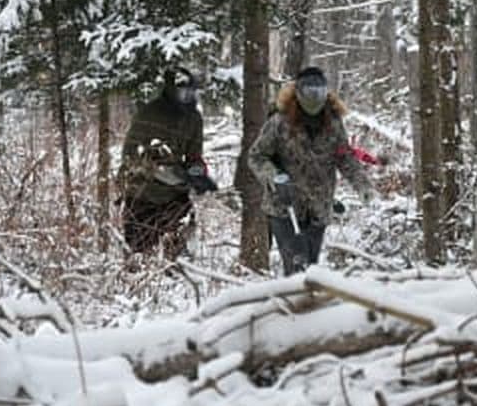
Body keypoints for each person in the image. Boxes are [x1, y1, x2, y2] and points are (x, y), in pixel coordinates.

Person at [248, 66, 374, 275]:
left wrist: (363, 186)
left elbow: (346, 158)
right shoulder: (280, 122)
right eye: (309, 91)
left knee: (311, 268)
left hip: (318, 207)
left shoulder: (333, 123)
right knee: (296, 265)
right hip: (284, 206)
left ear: (326, 93)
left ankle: (308, 305)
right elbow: (256, 156)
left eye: (319, 91)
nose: (314, 97)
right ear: (298, 92)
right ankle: (294, 304)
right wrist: (274, 177)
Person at [117, 67, 217, 259]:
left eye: (191, 91)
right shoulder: (148, 113)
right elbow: (129, 156)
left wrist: (198, 174)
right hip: (142, 193)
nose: (187, 95)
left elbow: (194, 156)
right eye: (182, 91)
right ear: (171, 90)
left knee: (178, 259)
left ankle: (177, 280)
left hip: (175, 196)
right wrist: (156, 170)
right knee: (137, 257)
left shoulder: (194, 118)